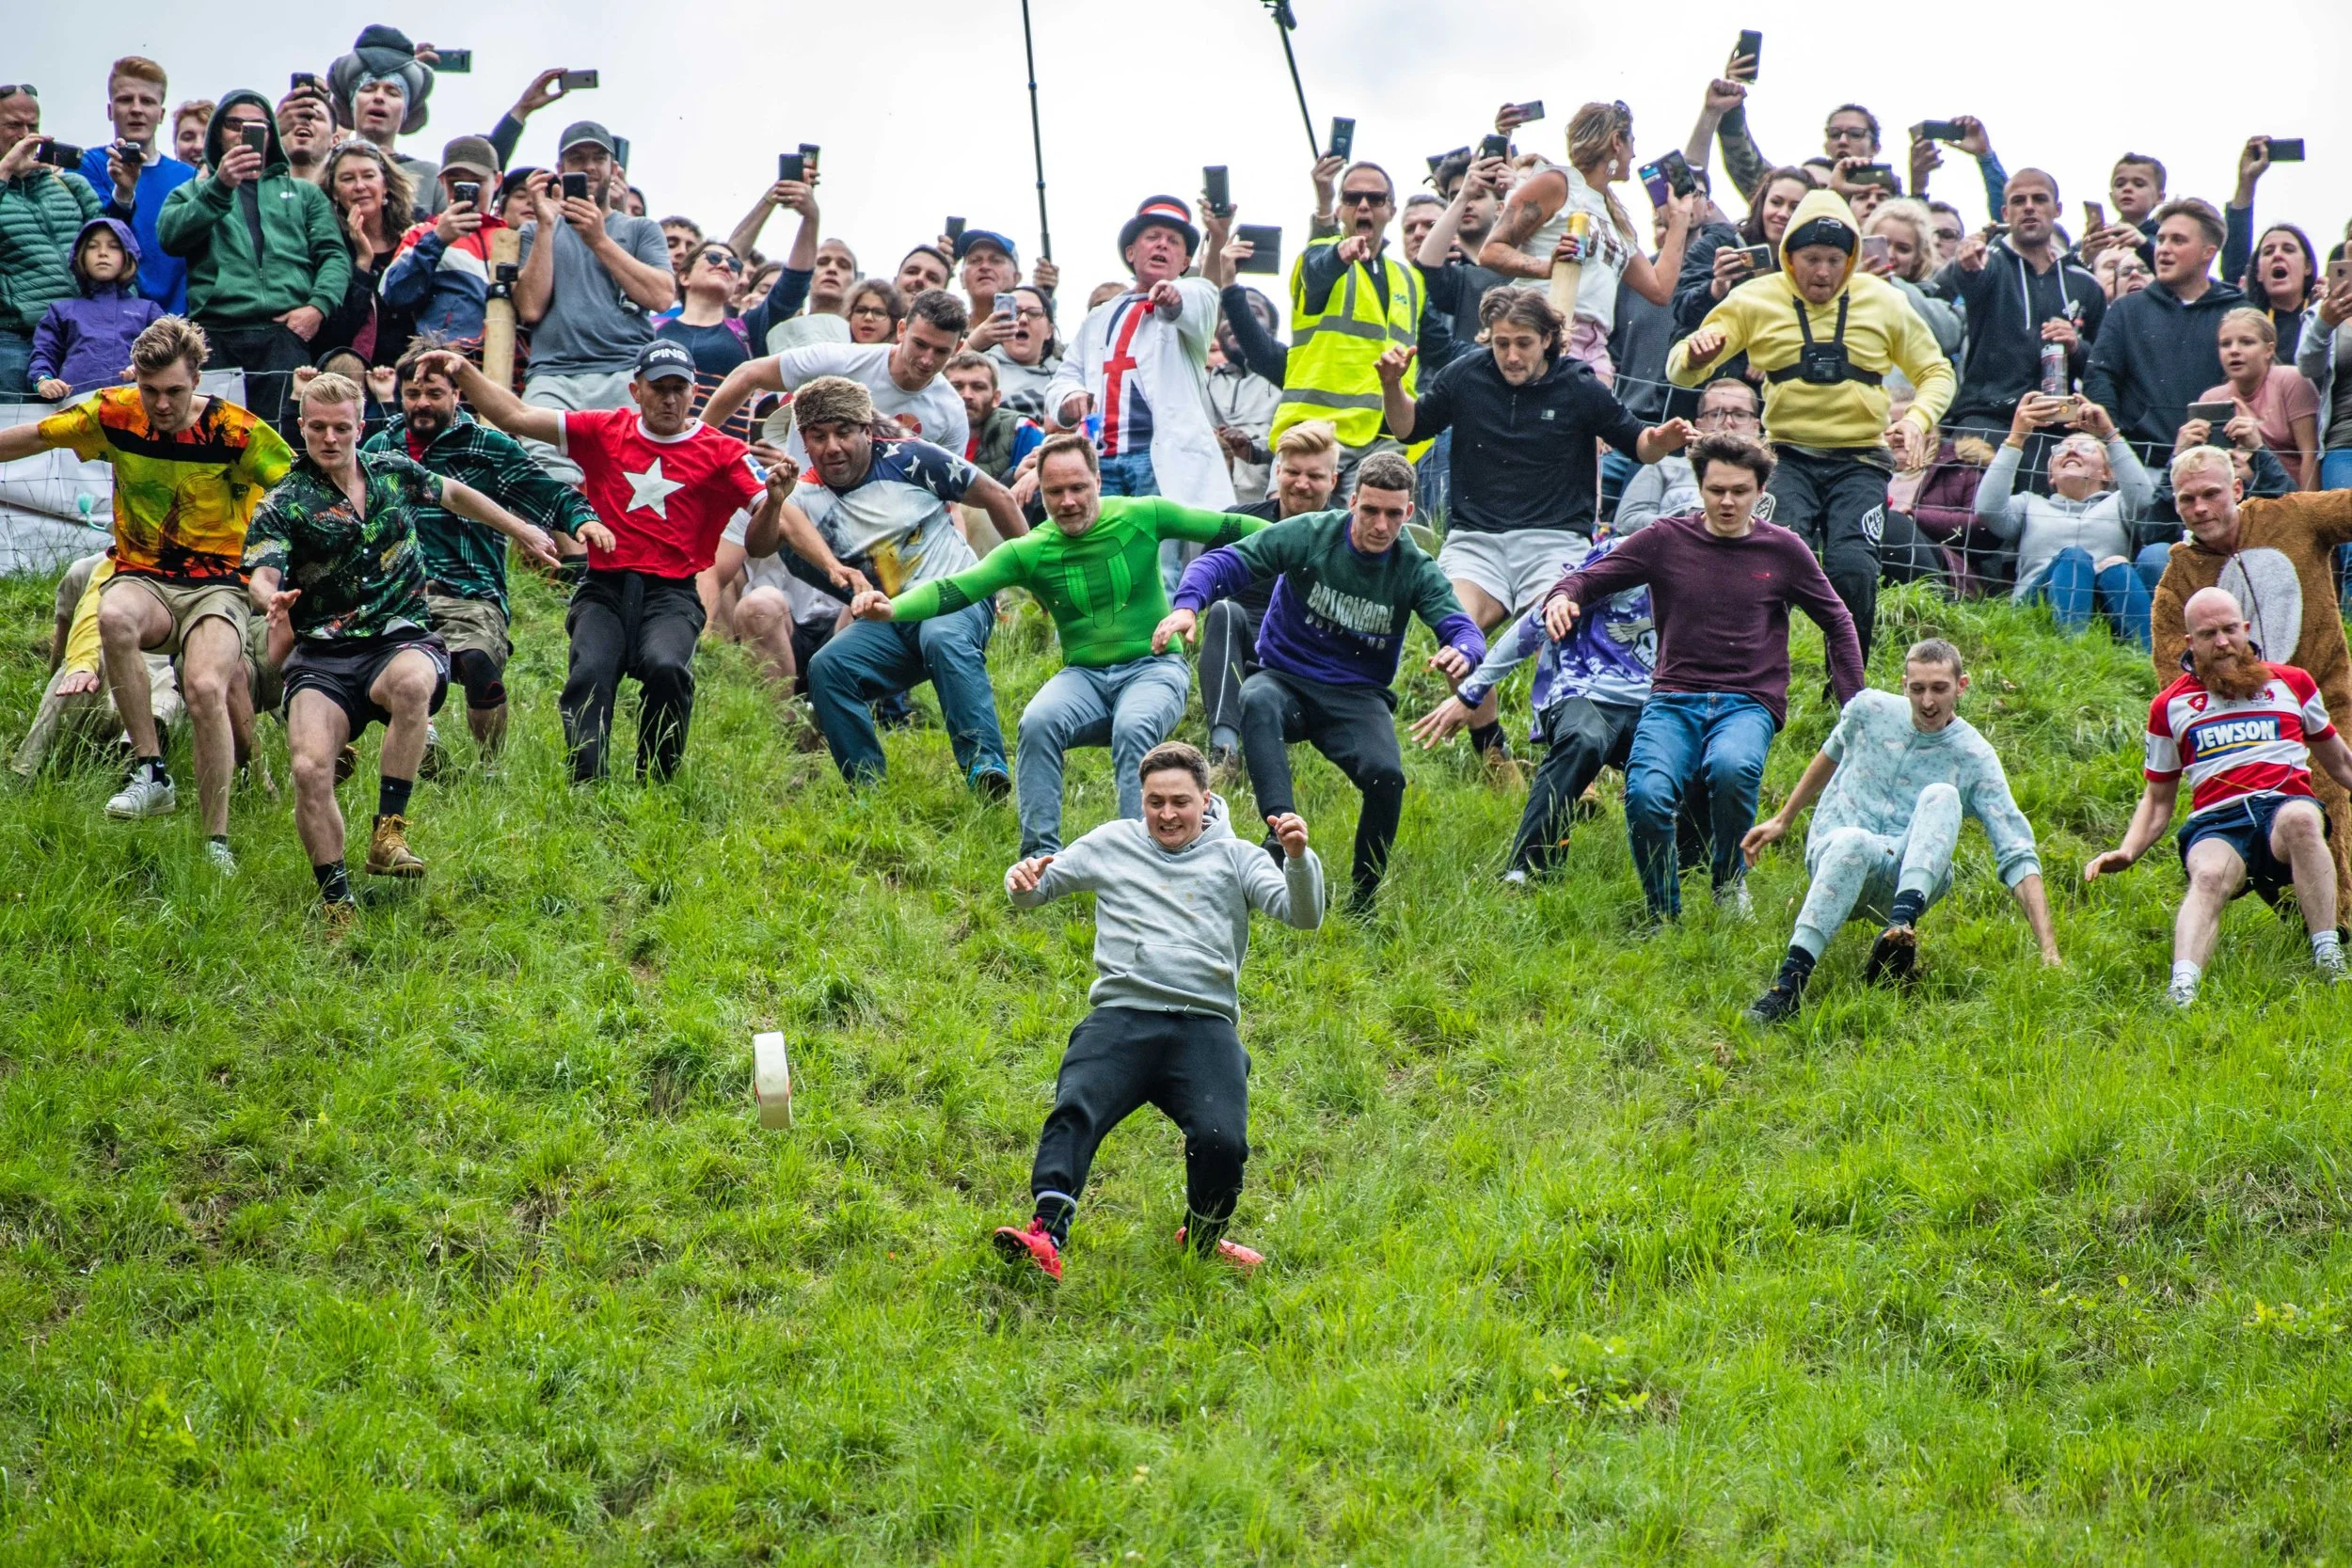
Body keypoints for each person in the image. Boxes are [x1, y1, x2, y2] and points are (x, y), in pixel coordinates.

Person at [993, 741, 1324, 1282]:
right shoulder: (1112, 842)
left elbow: (1302, 915)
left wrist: (1297, 859)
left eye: (1179, 802)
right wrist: (1020, 878)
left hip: (1204, 1025)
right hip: (1122, 1014)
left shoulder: (1239, 856)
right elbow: (1035, 890)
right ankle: (1045, 1234)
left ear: (1206, 799)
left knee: (1223, 1141)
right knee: (1075, 1108)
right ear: (1140, 800)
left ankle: (1202, 1238)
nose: (1166, 814)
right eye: (1154, 802)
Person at [246, 372, 558, 924]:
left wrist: (522, 529)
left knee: (413, 684)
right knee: (309, 769)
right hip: (323, 655)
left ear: (360, 427)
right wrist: (273, 598)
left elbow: (456, 494)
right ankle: (337, 902)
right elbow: (263, 570)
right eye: (317, 427)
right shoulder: (284, 502)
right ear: (302, 428)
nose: (329, 438)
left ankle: (388, 835)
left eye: (341, 428)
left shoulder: (392, 472)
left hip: (400, 636)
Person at [853, 434, 1262, 855]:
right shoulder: (1030, 550)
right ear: (1041, 494)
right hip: (1082, 676)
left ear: (1098, 482)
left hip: (1153, 667)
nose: (1067, 501)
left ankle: (1139, 859)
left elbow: (1228, 526)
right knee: (1037, 722)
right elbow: (958, 588)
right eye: (1055, 492)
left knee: (1133, 726)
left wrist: (1304, 542)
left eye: (1078, 488)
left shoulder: (1144, 514)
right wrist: (893, 608)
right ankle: (1039, 858)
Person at [420, 340, 782, 782]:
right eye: (659, 387)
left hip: (673, 594)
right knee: (590, 673)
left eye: (679, 389)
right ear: (636, 391)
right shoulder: (605, 429)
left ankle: (657, 783)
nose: (670, 399)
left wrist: (776, 503)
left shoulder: (723, 452)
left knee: (667, 668)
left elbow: (762, 544)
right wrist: (463, 372)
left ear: (693, 394)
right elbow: (516, 416)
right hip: (604, 586)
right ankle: (588, 784)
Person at [0, 317, 291, 864]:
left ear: (198, 380)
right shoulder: (114, 413)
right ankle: (151, 771)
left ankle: (216, 842)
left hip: (217, 585)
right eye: (150, 390)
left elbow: (299, 491)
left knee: (206, 687)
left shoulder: (238, 432)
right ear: (136, 379)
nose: (161, 405)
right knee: (112, 615)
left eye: (174, 392)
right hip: (145, 575)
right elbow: (37, 435)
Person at [1541, 434, 1866, 922]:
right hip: (1674, 698)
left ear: (1761, 490)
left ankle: (1728, 884)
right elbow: (1588, 577)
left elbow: (1838, 620)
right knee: (1647, 794)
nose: (1728, 501)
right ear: (1700, 488)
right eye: (1716, 490)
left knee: (1732, 770)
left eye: (1740, 490)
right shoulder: (1665, 540)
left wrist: (1853, 703)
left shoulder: (1784, 550)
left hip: (1747, 701)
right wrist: (1564, 596)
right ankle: (1662, 913)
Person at [1377, 287, 1694, 759]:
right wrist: (1392, 386)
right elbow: (1408, 428)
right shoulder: (1466, 375)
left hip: (1554, 542)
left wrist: (1662, 439)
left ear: (1549, 338)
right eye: (1501, 343)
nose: (1510, 355)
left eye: (1522, 343)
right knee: (1455, 634)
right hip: (1474, 541)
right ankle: (1492, 750)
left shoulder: (1579, 385)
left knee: (1563, 630)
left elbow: (1639, 446)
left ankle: (1569, 750)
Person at [1163, 450, 1486, 912]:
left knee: (1387, 778)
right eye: (1369, 510)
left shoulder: (1413, 567)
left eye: (1393, 515)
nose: (1379, 525)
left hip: (1356, 696)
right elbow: (1221, 564)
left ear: (1408, 513)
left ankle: (1364, 897)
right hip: (1285, 679)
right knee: (1255, 697)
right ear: (1352, 501)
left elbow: (1460, 626)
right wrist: (1186, 605)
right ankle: (1279, 839)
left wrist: (1464, 650)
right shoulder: (1311, 534)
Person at [1669, 190, 1954, 661]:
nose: (1822, 272)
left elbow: (1936, 371)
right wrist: (1693, 359)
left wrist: (1919, 419)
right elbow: (1681, 367)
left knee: (1853, 567)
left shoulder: (1884, 301)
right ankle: (1755, 670)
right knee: (1772, 560)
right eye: (1811, 259)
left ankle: (1847, 682)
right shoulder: (1754, 299)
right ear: (1788, 256)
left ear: (1852, 258)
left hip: (1860, 457)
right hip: (1786, 456)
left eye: (1834, 259)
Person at [1740, 639, 2059, 1022]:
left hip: (1908, 876)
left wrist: (2049, 951)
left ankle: (1899, 932)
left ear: (1962, 686)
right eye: (1917, 688)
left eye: (1939, 688)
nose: (1927, 702)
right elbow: (1831, 751)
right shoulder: (1869, 710)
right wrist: (1783, 818)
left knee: (1942, 795)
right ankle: (1787, 989)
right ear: (1903, 682)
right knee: (1853, 841)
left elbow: (2017, 850)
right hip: (1837, 856)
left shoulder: (1974, 755)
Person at [2086, 586, 2352, 1006]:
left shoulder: (2293, 683)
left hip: (2283, 808)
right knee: (2208, 877)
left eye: (2230, 629)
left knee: (2302, 819)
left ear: (2246, 629)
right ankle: (2183, 990)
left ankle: (2327, 954)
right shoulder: (2169, 706)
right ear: (2191, 642)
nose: (2223, 642)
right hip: (2217, 822)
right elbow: (2158, 799)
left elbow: (2339, 762)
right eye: (2209, 634)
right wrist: (2128, 851)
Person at [765, 376, 1028, 792]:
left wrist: (1034, 571)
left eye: (844, 432)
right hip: (891, 617)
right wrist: (774, 500)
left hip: (952, 598)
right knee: (828, 667)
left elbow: (1000, 496)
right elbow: (761, 540)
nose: (832, 446)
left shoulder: (912, 459)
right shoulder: (800, 497)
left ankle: (984, 767)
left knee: (941, 637)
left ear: (867, 431)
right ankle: (868, 791)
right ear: (805, 442)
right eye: (819, 436)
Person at [365, 341, 598, 765]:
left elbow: (546, 492)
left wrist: (582, 520)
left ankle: (490, 767)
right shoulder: (379, 449)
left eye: (435, 394)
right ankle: (424, 741)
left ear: (457, 395)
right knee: (397, 664)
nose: (422, 404)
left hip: (470, 591)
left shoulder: (488, 447)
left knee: (479, 667)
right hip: (396, 594)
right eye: (413, 394)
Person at [2149, 445, 2352, 915]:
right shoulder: (2179, 579)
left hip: (2324, 695)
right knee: (2269, 823)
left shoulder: (2293, 517)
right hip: (2242, 725)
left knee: (2328, 796)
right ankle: (2302, 911)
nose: (2200, 509)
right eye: (2187, 499)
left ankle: (2334, 927)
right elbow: (2171, 675)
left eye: (2211, 494)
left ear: (2237, 489)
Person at [1410, 531, 1657, 882]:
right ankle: (1529, 871)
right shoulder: (1624, 557)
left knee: (1695, 753)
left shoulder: (1716, 574)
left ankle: (1702, 865)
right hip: (1587, 688)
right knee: (1582, 739)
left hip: (1660, 698)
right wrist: (1470, 694)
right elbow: (1531, 628)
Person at [1046, 197, 1234, 546]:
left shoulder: (1193, 301)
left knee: (1159, 566)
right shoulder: (1099, 317)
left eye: (1174, 241)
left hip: (1157, 457)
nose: (1163, 244)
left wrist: (1176, 296)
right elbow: (1064, 377)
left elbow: (1202, 296)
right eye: (1153, 237)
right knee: (1105, 559)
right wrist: (1070, 395)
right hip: (1102, 459)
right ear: (1131, 253)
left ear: (1186, 262)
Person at [155, 95, 348, 433]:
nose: (244, 133)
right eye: (234, 125)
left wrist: (317, 307)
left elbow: (334, 255)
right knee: (215, 447)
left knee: (284, 444)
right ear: (217, 133)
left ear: (271, 133)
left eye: (256, 126)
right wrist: (220, 187)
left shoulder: (304, 194)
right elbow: (170, 238)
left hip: (283, 336)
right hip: (215, 336)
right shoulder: (190, 192)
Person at [508, 122, 676, 483]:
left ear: (614, 169)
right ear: (559, 170)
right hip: (554, 376)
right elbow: (531, 308)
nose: (588, 166)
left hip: (624, 372)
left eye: (598, 157)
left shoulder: (639, 229)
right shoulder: (534, 230)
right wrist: (547, 225)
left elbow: (662, 297)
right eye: (577, 158)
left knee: (633, 475)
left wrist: (599, 239)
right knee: (545, 471)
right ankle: (572, 544)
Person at [1478, 102, 1693, 382]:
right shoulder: (1557, 183)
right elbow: (1491, 251)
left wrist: (1680, 223)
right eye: (1632, 143)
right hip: (1542, 329)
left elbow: (1659, 290)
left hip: (1595, 344)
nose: (1634, 153)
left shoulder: (1615, 217)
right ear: (1617, 142)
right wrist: (1545, 267)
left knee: (1598, 424)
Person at [1194, 421, 1340, 776]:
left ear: (1333, 481)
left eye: (1315, 476)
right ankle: (1224, 753)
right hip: (1245, 643)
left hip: (1306, 653)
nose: (1302, 483)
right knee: (1225, 610)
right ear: (1277, 472)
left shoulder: (1345, 536)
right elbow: (1205, 572)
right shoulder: (1239, 521)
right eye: (1292, 472)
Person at [1929, 169, 2105, 450]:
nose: (2029, 207)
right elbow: (1971, 281)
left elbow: (2101, 365)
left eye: (2039, 199)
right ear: (2005, 212)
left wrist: (2076, 346)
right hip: (1987, 418)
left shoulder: (2085, 283)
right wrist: (1966, 267)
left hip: (2055, 424)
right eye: (2019, 201)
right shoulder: (1988, 263)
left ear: (2057, 209)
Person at [1274, 165, 1424, 491]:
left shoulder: (1410, 279)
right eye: (1353, 198)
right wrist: (1337, 251)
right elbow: (1316, 271)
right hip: (1316, 436)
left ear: (1391, 209)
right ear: (1340, 208)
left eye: (1375, 198)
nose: (1364, 205)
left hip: (1384, 440)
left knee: (1371, 540)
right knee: (1291, 537)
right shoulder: (1318, 260)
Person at [1973, 393, 2154, 645]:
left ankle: (2154, 664)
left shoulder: (2119, 503)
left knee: (2117, 567)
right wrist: (2017, 437)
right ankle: (2072, 652)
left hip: (2105, 607)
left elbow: (2145, 499)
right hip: (2035, 608)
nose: (2071, 450)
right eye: (2061, 449)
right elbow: (1987, 509)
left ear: (2107, 472)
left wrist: (2109, 435)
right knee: (2073, 557)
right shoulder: (2029, 504)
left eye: (2087, 448)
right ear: (2050, 476)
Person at [702, 288, 970, 458]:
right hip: (798, 505)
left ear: (957, 349)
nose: (927, 360)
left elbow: (948, 495)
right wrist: (696, 440)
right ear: (901, 330)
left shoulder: (951, 412)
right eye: (920, 344)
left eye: (940, 352)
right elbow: (748, 373)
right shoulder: (842, 360)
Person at [2083, 200, 2245, 451]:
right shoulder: (2126, 310)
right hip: (2140, 464)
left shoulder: (2238, 312)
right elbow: (2100, 379)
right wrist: (2114, 448)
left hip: (2218, 464)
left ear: (2208, 252)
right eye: (2161, 240)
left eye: (2178, 240)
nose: (2163, 250)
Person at [0, 85, 103, 396]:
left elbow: (112, 248)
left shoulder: (70, 185)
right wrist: (4, 171)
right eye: (14, 125)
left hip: (76, 333)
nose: (26, 135)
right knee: (17, 438)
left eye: (33, 126)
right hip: (15, 340)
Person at [80, 57, 195, 313]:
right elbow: (93, 236)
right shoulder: (89, 166)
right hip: (113, 320)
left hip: (179, 322)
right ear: (110, 110)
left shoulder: (188, 177)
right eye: (125, 100)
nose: (136, 109)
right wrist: (123, 193)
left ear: (161, 114)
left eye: (147, 101)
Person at [379, 136, 510, 346]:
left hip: (507, 363)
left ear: (497, 181)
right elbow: (392, 294)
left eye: (477, 183)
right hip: (443, 359)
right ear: (441, 182)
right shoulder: (423, 234)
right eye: (456, 183)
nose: (469, 193)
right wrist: (438, 240)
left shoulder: (511, 238)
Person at [27, 218, 164, 402]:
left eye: (114, 246)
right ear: (80, 256)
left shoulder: (148, 310)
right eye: (92, 247)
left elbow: (170, 354)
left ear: (128, 256)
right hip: (74, 413)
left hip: (134, 411)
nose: (102, 253)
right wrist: (43, 381)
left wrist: (146, 368)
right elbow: (44, 354)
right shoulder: (61, 310)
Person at [314, 141, 418, 370]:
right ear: (333, 192)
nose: (359, 186)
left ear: (386, 185)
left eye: (368, 176)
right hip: (355, 380)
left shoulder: (412, 241)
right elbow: (335, 332)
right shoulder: (327, 247)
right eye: (347, 179)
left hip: (410, 376)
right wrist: (363, 261)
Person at [325, 25, 442, 217]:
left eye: (393, 92)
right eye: (368, 89)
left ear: (406, 111)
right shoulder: (325, 170)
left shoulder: (430, 177)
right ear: (351, 104)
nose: (379, 97)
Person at [1616, 377, 1761, 532]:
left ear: (1756, 426)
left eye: (1740, 414)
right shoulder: (1664, 466)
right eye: (1716, 414)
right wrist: (1687, 521)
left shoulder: (1772, 476)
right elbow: (1626, 521)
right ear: (1699, 424)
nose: (1728, 422)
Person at [2201, 307, 2318, 488]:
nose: (2234, 350)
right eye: (2225, 344)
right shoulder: (2211, 399)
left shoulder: (2292, 380)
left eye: (2246, 342)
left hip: (2290, 495)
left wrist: (2308, 509)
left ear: (2269, 350)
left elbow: (2310, 453)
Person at [655, 243, 758, 438]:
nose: (725, 266)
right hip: (656, 452)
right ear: (684, 277)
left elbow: (789, 291)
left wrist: (810, 218)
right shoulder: (652, 329)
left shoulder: (746, 330)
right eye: (713, 257)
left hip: (723, 457)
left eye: (734, 264)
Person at [943, 350, 1042, 489]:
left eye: (978, 387)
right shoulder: (926, 431)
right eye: (957, 387)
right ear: (940, 393)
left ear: (996, 398)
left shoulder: (1022, 430)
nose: (967, 395)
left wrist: (1011, 479)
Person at [978, 283, 1060, 419]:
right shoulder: (983, 366)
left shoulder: (1065, 375)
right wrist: (974, 342)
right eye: (1013, 312)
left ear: (1049, 331)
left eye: (1034, 313)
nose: (1022, 320)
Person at [2242, 223, 2316, 364]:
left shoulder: (2322, 315)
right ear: (2258, 273)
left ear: (2307, 267)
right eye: (2268, 252)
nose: (2277, 255)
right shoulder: (2248, 324)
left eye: (2288, 250)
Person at [272, 79, 335, 189]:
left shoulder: (342, 198)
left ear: (334, 140)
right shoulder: (257, 190)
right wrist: (272, 131)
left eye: (316, 116)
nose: (305, 121)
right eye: (298, 115)